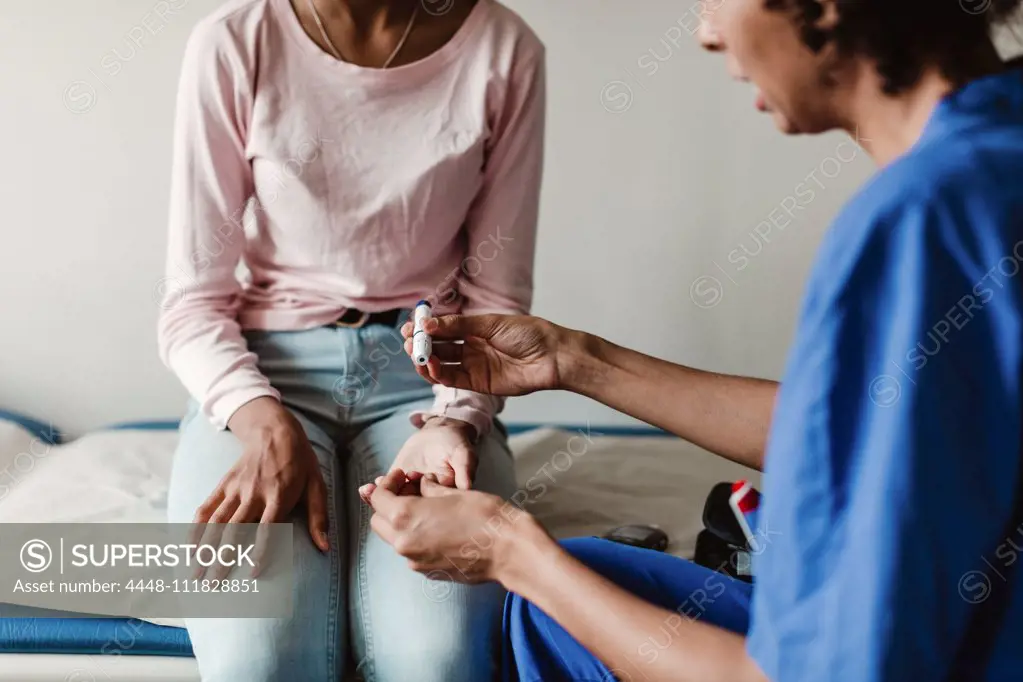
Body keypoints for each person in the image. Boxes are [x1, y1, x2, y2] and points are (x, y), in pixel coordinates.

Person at [361, 1, 1023, 680]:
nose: (706, 33)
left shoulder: (921, 224)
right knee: (572, 586)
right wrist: (574, 360)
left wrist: (510, 551)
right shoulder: (996, 146)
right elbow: (872, 431)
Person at [156, 0, 545, 679]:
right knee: (259, 658)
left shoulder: (503, 49)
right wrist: (258, 420)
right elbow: (192, 302)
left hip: (431, 376)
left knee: (438, 656)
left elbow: (494, 300)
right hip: (266, 376)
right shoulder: (232, 42)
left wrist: (456, 419)